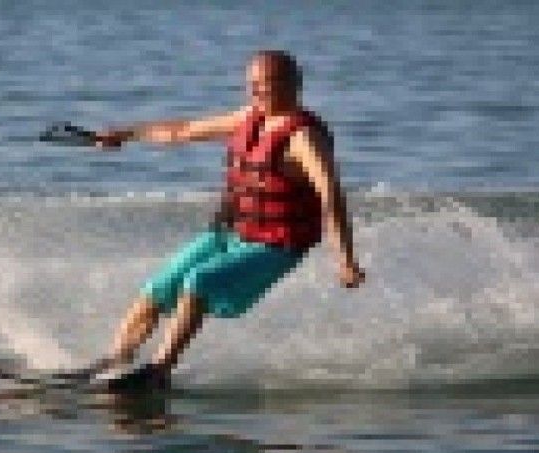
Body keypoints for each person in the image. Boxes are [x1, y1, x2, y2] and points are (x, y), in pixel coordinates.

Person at [77, 50, 365, 390]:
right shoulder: (248, 118)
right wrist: (125, 134)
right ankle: (116, 361)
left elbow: (331, 196)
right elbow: (183, 130)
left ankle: (159, 371)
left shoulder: (304, 138)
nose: (255, 92)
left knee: (199, 281)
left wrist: (345, 259)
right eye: (251, 84)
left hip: (275, 246)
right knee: (159, 287)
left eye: (265, 84)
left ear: (293, 84)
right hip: (231, 233)